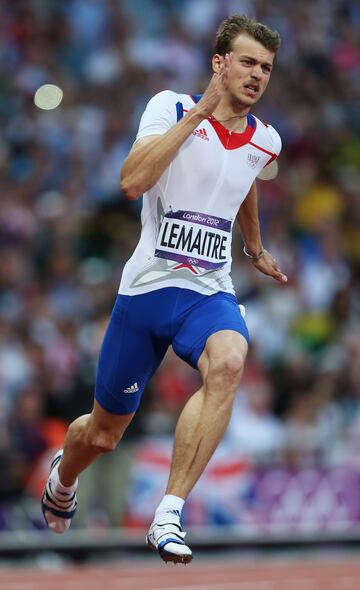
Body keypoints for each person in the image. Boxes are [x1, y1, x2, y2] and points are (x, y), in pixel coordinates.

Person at [41, 14, 288, 564]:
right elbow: (132, 181)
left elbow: (242, 180)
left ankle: (168, 511)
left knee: (229, 361)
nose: (256, 75)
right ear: (219, 63)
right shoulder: (170, 107)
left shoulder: (267, 139)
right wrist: (200, 112)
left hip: (208, 292)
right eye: (246, 62)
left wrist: (253, 246)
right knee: (103, 435)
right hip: (147, 291)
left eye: (266, 68)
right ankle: (64, 476)